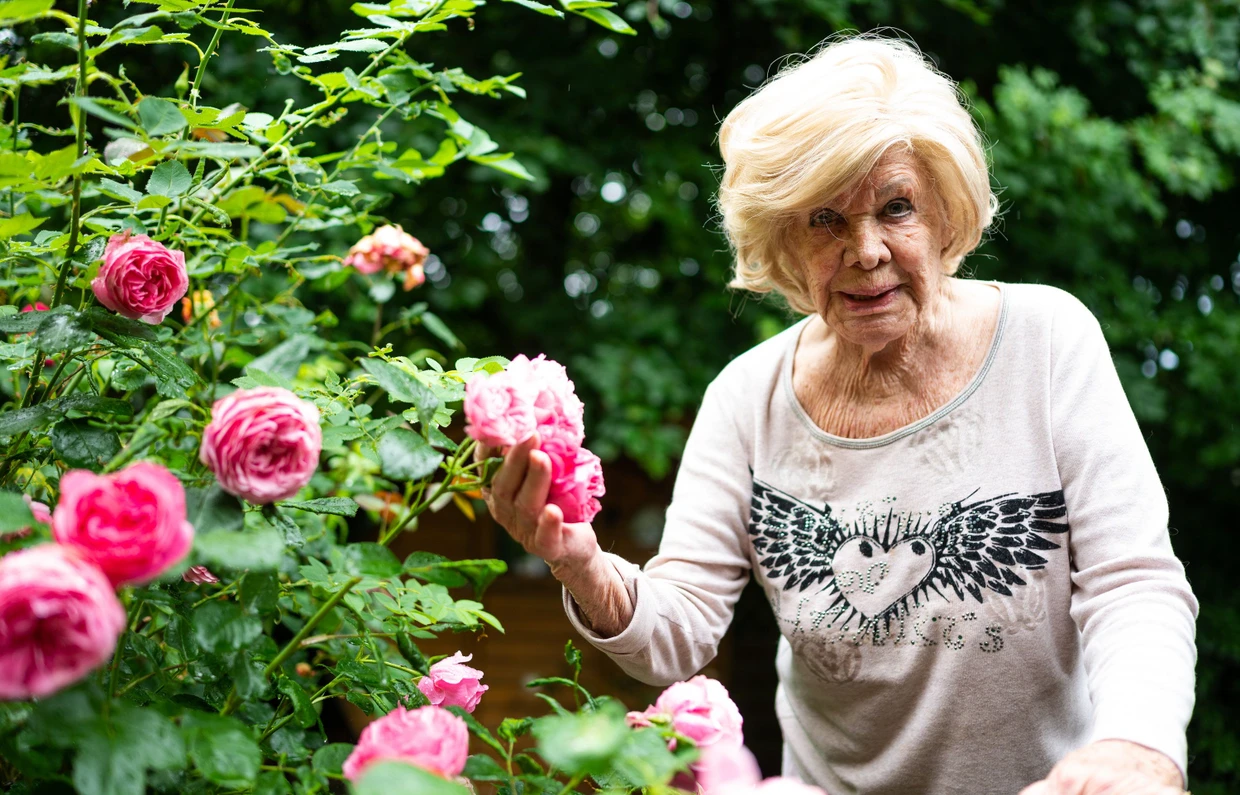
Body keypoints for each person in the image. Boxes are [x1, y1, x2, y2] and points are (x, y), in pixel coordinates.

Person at [478, 35, 1198, 795]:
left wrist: (1137, 745)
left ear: (946, 214)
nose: (867, 251)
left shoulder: (1048, 341)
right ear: (783, 239)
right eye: (825, 219)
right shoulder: (745, 397)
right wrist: (579, 561)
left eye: (896, 207)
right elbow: (678, 629)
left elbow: (1134, 581)